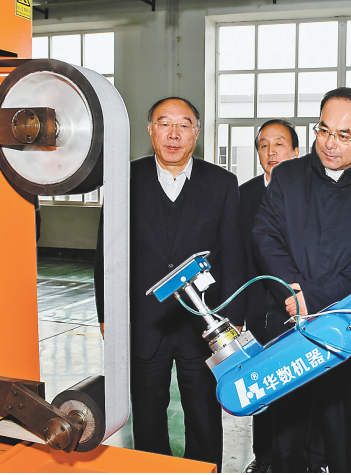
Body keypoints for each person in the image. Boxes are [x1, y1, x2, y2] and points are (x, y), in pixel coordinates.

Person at [252, 87, 351, 473]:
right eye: (323, 130)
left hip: (349, 335)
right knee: (286, 448)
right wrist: (293, 292)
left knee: (343, 447)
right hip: (290, 331)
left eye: (343, 135)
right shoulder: (287, 177)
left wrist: (314, 296)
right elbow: (265, 236)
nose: (329, 143)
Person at [94, 97, 245, 469]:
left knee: (204, 415)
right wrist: (106, 315)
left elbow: (234, 254)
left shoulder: (222, 183)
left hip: (203, 323)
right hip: (146, 323)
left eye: (183, 125)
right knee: (147, 416)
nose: (173, 134)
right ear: (151, 130)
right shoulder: (125, 178)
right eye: (164, 124)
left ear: (196, 132)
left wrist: (235, 319)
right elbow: (106, 253)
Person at [240, 119, 299, 473]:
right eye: (264, 145)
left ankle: (304, 461)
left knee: (300, 389)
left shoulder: (313, 193)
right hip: (258, 313)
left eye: (279, 144)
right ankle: (263, 458)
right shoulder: (243, 195)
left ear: (296, 151)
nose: (271, 151)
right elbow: (236, 256)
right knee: (262, 386)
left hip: (302, 311)